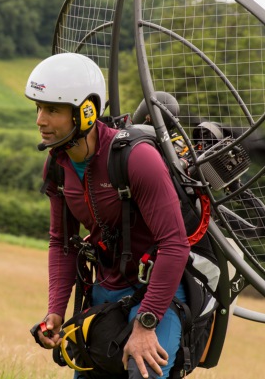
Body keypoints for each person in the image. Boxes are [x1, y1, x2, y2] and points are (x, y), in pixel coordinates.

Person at [25, 53, 191, 379]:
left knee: (146, 371)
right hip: (104, 292)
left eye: (53, 110)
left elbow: (174, 245)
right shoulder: (58, 166)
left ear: (86, 111)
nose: (40, 120)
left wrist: (146, 323)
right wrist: (56, 311)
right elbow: (63, 243)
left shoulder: (136, 159)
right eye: (38, 108)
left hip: (158, 293)